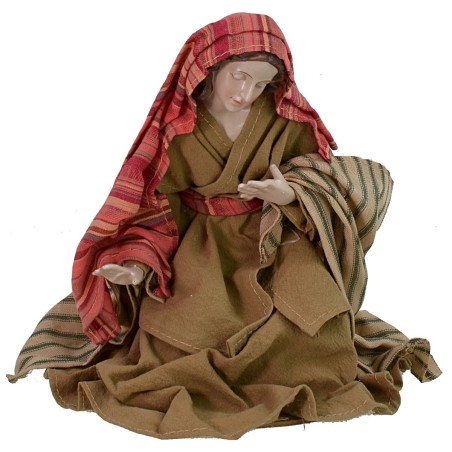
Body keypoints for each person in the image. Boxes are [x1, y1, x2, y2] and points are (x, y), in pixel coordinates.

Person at [8, 12, 441, 439]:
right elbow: (156, 204)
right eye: (239, 77)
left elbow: (318, 171)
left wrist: (290, 194)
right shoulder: (179, 127)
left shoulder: (282, 119)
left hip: (274, 239)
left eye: (261, 84)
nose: (246, 92)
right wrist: (139, 265)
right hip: (203, 247)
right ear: (211, 67)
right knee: (184, 333)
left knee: (313, 318)